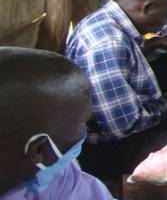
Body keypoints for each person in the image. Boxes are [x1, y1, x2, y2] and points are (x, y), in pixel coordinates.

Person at [66, 0, 167, 180]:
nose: (165, 24)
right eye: (166, 16)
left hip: (118, 131)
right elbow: (123, 125)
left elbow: (123, 61)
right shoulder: (109, 42)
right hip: (108, 148)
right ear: (146, 8)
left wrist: (148, 45)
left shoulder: (108, 21)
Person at [0, 47, 113, 200]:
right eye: (83, 124)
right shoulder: (50, 169)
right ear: (39, 150)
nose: (85, 131)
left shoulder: (55, 176)